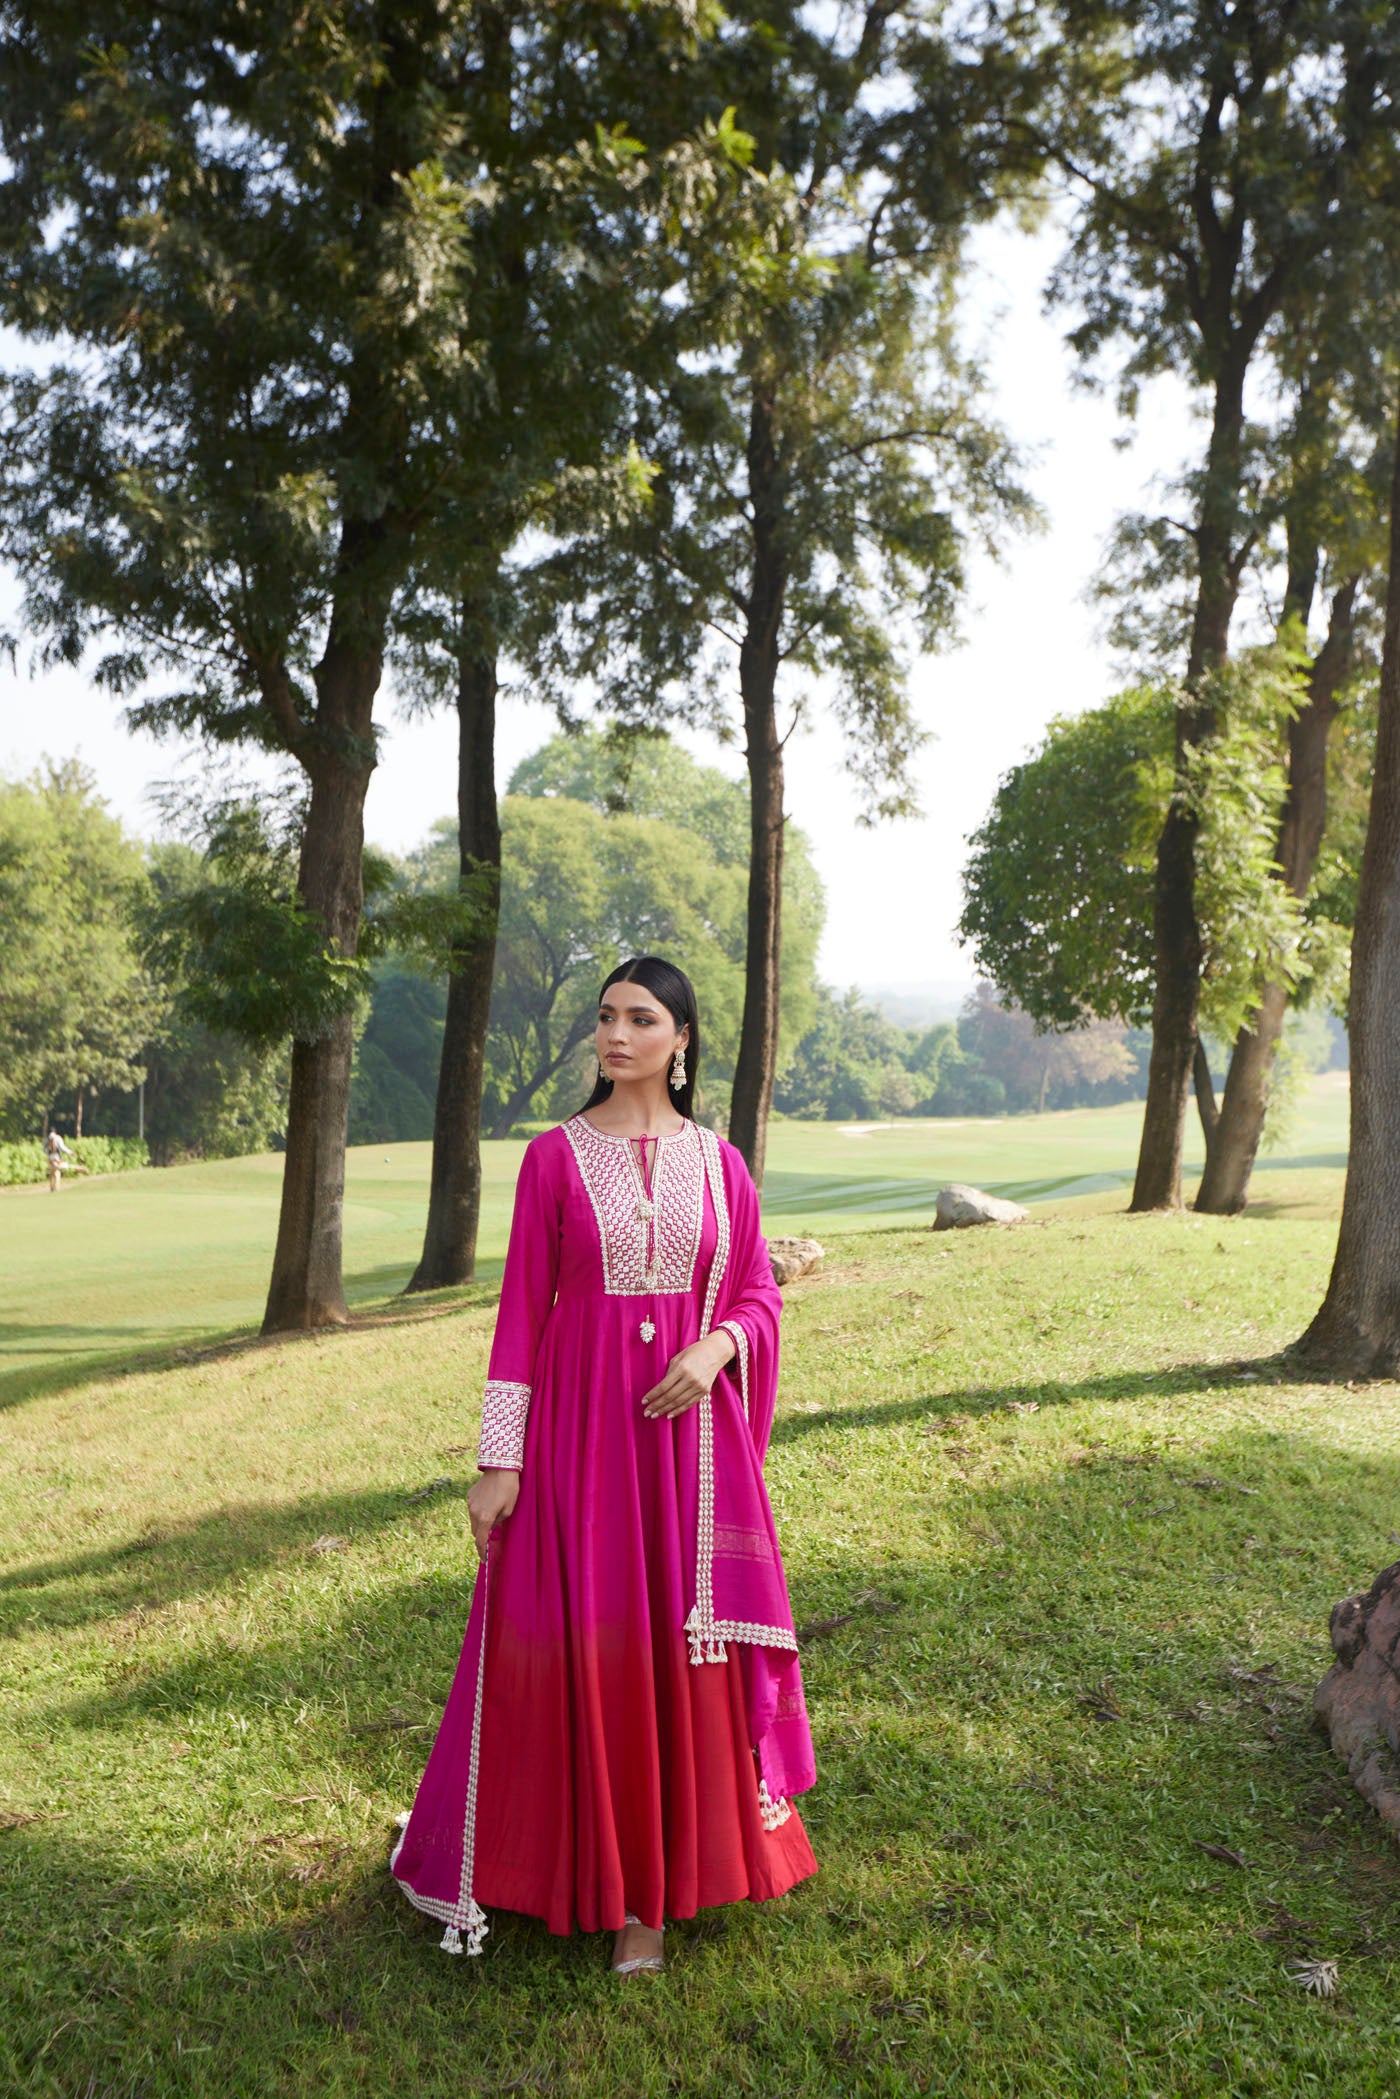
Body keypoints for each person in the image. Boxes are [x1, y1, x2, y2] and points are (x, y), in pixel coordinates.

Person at [391, 955, 817, 1976]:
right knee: (581, 1635)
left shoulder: (720, 1165)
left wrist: (714, 1347)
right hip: (578, 1437)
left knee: (675, 1646)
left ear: (679, 1040)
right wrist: (500, 1458)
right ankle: (573, 1865)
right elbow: (517, 1315)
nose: (614, 1034)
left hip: (684, 1445)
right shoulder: (551, 1158)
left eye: (639, 1018)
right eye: (605, 1016)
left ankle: (652, 1899)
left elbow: (756, 1291)